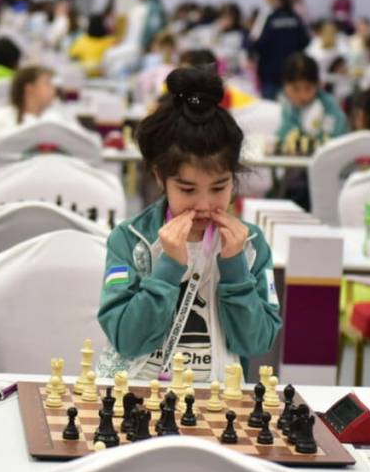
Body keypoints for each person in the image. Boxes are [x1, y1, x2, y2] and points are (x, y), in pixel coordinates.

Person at [96, 66, 281, 382]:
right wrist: (168, 268)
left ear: (234, 179)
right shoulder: (130, 240)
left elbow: (258, 343)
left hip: (218, 400)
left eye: (219, 187)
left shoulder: (250, 245)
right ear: (160, 177)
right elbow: (126, 340)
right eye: (187, 189)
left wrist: (235, 269)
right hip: (139, 395)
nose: (205, 205)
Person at [250, 0, 310, 100]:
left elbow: (258, 43)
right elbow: (305, 41)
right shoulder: (294, 17)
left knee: (269, 108)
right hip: (292, 73)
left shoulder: (268, 17)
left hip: (270, 75)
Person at [276, 53, 348, 142]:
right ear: (284, 86)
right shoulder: (286, 104)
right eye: (295, 88)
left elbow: (336, 138)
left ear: (318, 84)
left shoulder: (330, 107)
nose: (303, 95)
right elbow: (283, 134)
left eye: (308, 88)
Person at [0, 65, 64, 141]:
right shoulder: (2, 117)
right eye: (47, 84)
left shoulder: (55, 118)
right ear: (30, 88)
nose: (53, 89)